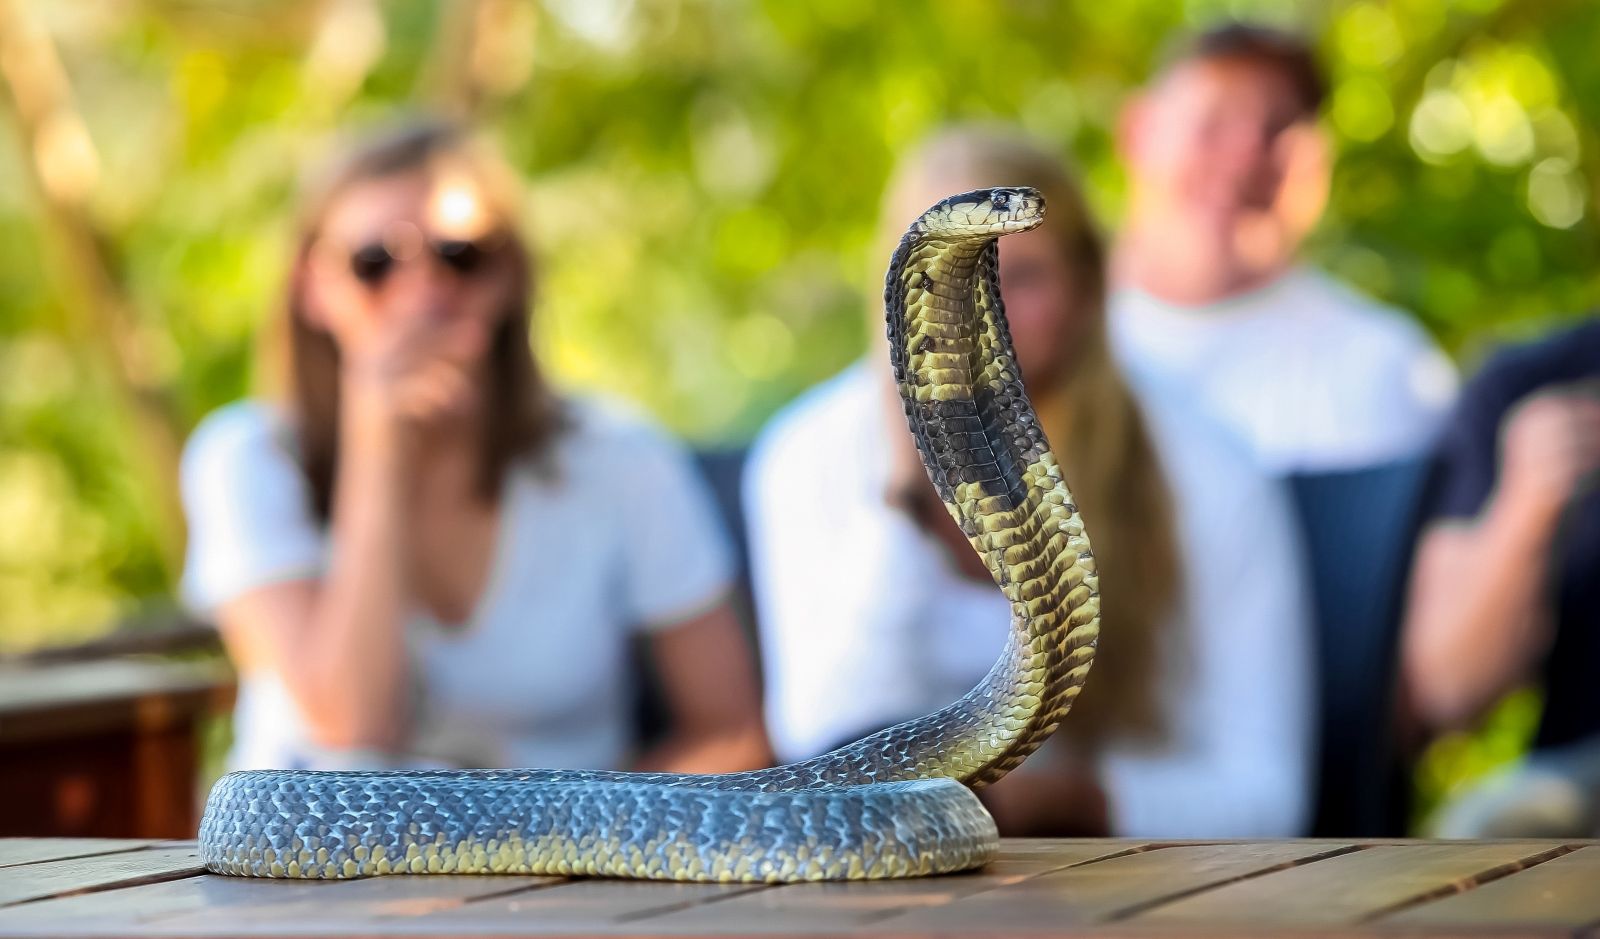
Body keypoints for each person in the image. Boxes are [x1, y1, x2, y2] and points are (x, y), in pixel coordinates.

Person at [743, 127, 1315, 837]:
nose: (984, 306)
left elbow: (1269, 796)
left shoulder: (1211, 472)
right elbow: (821, 733)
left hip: (1133, 867)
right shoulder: (805, 454)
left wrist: (1061, 802)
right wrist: (904, 497)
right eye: (955, 277)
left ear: (1086, 286)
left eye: (1025, 276)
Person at [179, 120, 771, 774]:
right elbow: (351, 733)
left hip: (577, 837)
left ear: (509, 274)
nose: (422, 293)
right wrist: (380, 449)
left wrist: (583, 826)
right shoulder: (247, 460)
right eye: (374, 263)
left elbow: (734, 731)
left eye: (460, 256)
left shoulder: (621, 458)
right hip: (323, 842)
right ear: (311, 287)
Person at [1110, 22, 1456, 474]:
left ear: (1319, 168)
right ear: (1137, 132)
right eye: (1213, 122)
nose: (1244, 156)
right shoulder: (1029, 337)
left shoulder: (1390, 372)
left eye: (1277, 129)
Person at [1403, 319, 1600, 836]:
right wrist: (1526, 507)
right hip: (1578, 778)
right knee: (1485, 830)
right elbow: (1447, 688)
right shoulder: (1530, 386)